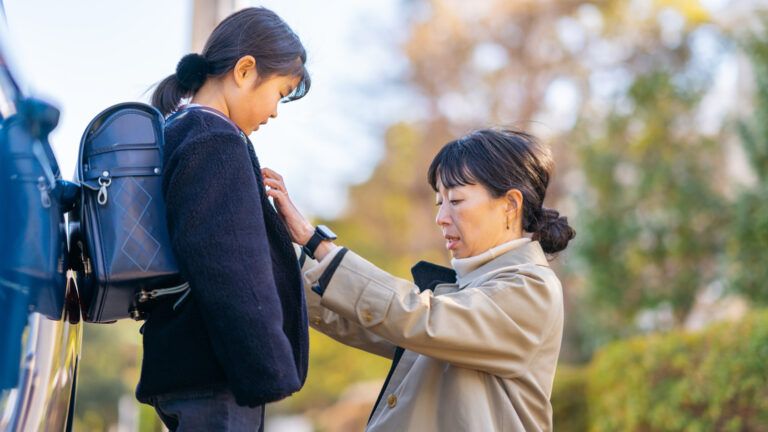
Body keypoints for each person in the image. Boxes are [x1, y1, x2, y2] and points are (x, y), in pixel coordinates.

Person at [264, 128, 576, 431]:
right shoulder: (464, 289)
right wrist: (279, 256)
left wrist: (316, 243)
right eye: (440, 203)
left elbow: (416, 317)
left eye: (455, 201)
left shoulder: (531, 287)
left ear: (510, 204)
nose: (441, 218)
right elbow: (366, 319)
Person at [135, 7, 311, 431]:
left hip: (187, 368)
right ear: (246, 70)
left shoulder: (178, 129)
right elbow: (232, 266)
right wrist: (267, 366)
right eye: (280, 93)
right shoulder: (215, 140)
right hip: (215, 377)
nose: (275, 112)